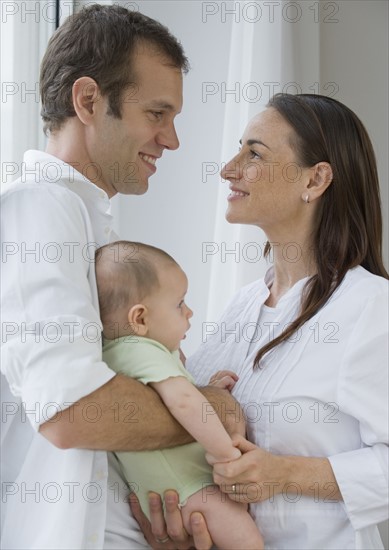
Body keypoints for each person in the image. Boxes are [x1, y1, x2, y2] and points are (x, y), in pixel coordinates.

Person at [0, 5, 235, 549]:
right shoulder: (40, 211)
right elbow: (74, 413)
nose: (171, 140)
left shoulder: (88, 225)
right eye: (156, 113)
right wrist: (210, 412)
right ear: (88, 101)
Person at [183, 93, 388, 549]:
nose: (229, 168)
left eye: (254, 153)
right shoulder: (243, 305)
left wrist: (286, 474)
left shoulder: (371, 306)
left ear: (315, 179)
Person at [94, 240, 264, 549]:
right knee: (248, 542)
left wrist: (208, 386)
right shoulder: (141, 350)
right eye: (179, 305)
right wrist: (225, 454)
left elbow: (178, 393)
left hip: (171, 490)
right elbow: (184, 402)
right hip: (189, 486)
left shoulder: (121, 353)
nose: (189, 311)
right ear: (140, 319)